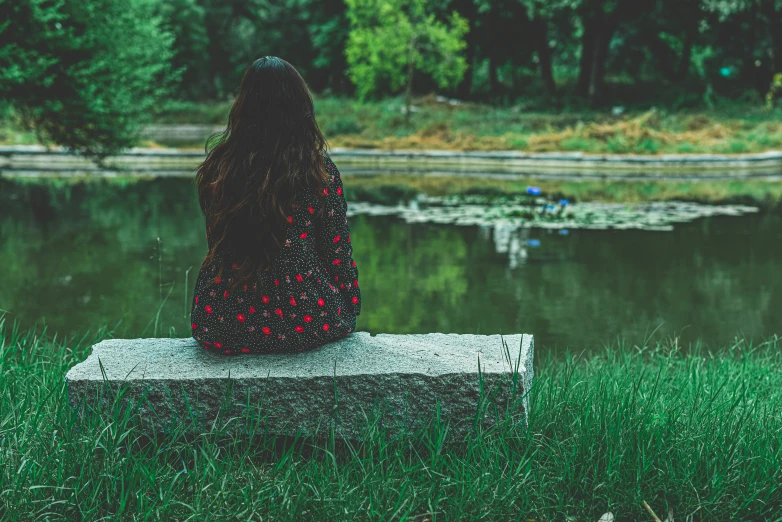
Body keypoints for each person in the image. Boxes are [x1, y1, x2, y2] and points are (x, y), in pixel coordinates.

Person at [190, 56, 361, 355]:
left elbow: (215, 242)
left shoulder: (219, 166)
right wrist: (349, 302)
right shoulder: (316, 169)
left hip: (222, 321)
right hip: (302, 318)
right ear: (300, 108)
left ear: (243, 106)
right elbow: (336, 249)